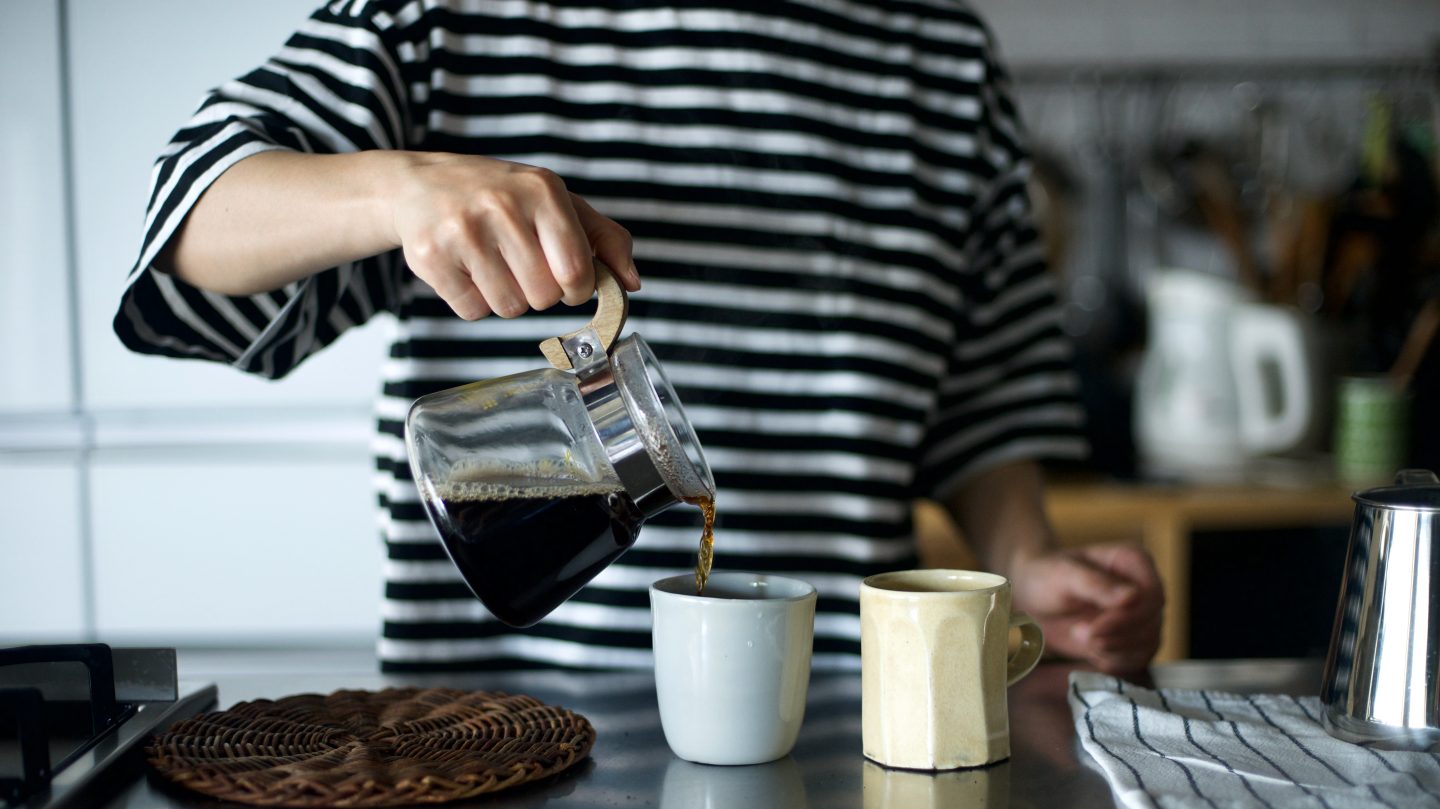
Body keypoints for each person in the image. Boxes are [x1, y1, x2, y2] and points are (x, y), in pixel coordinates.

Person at [114, 0, 1163, 674]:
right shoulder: (448, 21)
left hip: (837, 742)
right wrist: (405, 187)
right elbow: (187, 227)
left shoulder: (937, 54)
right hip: (486, 764)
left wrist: (1026, 568)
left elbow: (987, 404)